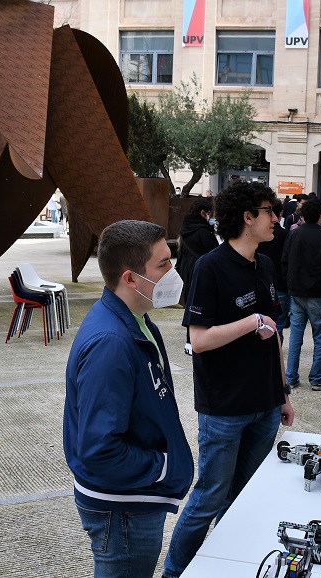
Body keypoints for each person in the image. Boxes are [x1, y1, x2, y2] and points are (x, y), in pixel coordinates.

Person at [162, 181, 295, 578]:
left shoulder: (266, 264)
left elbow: (274, 335)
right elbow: (198, 341)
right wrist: (250, 322)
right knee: (209, 497)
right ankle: (175, 571)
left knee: (244, 496)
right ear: (247, 217)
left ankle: (225, 565)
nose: (276, 218)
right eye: (269, 211)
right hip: (224, 408)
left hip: (266, 405)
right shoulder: (210, 267)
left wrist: (283, 393)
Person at [63, 220, 193, 578]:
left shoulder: (137, 320)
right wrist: (164, 467)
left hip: (132, 500)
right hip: (122, 510)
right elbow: (99, 449)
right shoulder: (112, 343)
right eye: (163, 264)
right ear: (131, 278)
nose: (173, 272)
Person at [282, 197, 321, 391]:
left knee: (295, 336)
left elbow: (285, 262)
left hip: (296, 292)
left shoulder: (293, 234)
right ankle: (316, 378)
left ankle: (291, 376)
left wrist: (289, 285)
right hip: (319, 293)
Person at [175, 197, 218, 355]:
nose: (211, 217)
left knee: (191, 306)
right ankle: (195, 340)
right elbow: (215, 252)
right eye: (209, 214)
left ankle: (189, 341)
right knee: (201, 307)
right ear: (202, 213)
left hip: (186, 270)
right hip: (201, 271)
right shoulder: (203, 231)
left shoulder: (185, 227)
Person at [257, 199, 290, 344]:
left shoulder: (258, 236)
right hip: (281, 285)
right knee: (278, 326)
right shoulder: (285, 235)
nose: (275, 219)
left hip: (267, 283)